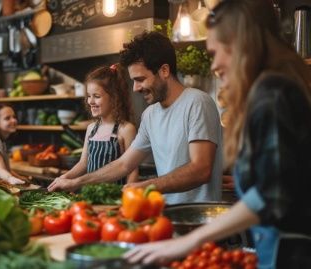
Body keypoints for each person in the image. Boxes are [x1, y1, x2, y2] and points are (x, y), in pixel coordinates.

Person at [124, 1, 311, 268]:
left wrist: (190, 240)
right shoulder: (274, 88)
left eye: (215, 52)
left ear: (239, 43)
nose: (215, 65)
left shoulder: (273, 92)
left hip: (290, 255)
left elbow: (271, 195)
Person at [49, 31, 223, 206]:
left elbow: (201, 170)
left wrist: (143, 186)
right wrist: (75, 182)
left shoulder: (197, 103)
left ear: (164, 70)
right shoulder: (150, 115)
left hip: (200, 217)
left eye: (140, 79)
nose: (135, 88)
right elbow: (124, 164)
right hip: (166, 214)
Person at [56, 64, 139, 185]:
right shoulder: (91, 128)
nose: (90, 101)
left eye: (96, 96)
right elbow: (83, 164)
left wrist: (126, 198)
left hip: (115, 198)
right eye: (89, 96)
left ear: (114, 97)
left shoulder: (126, 129)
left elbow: (132, 171)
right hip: (92, 195)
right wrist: (63, 178)